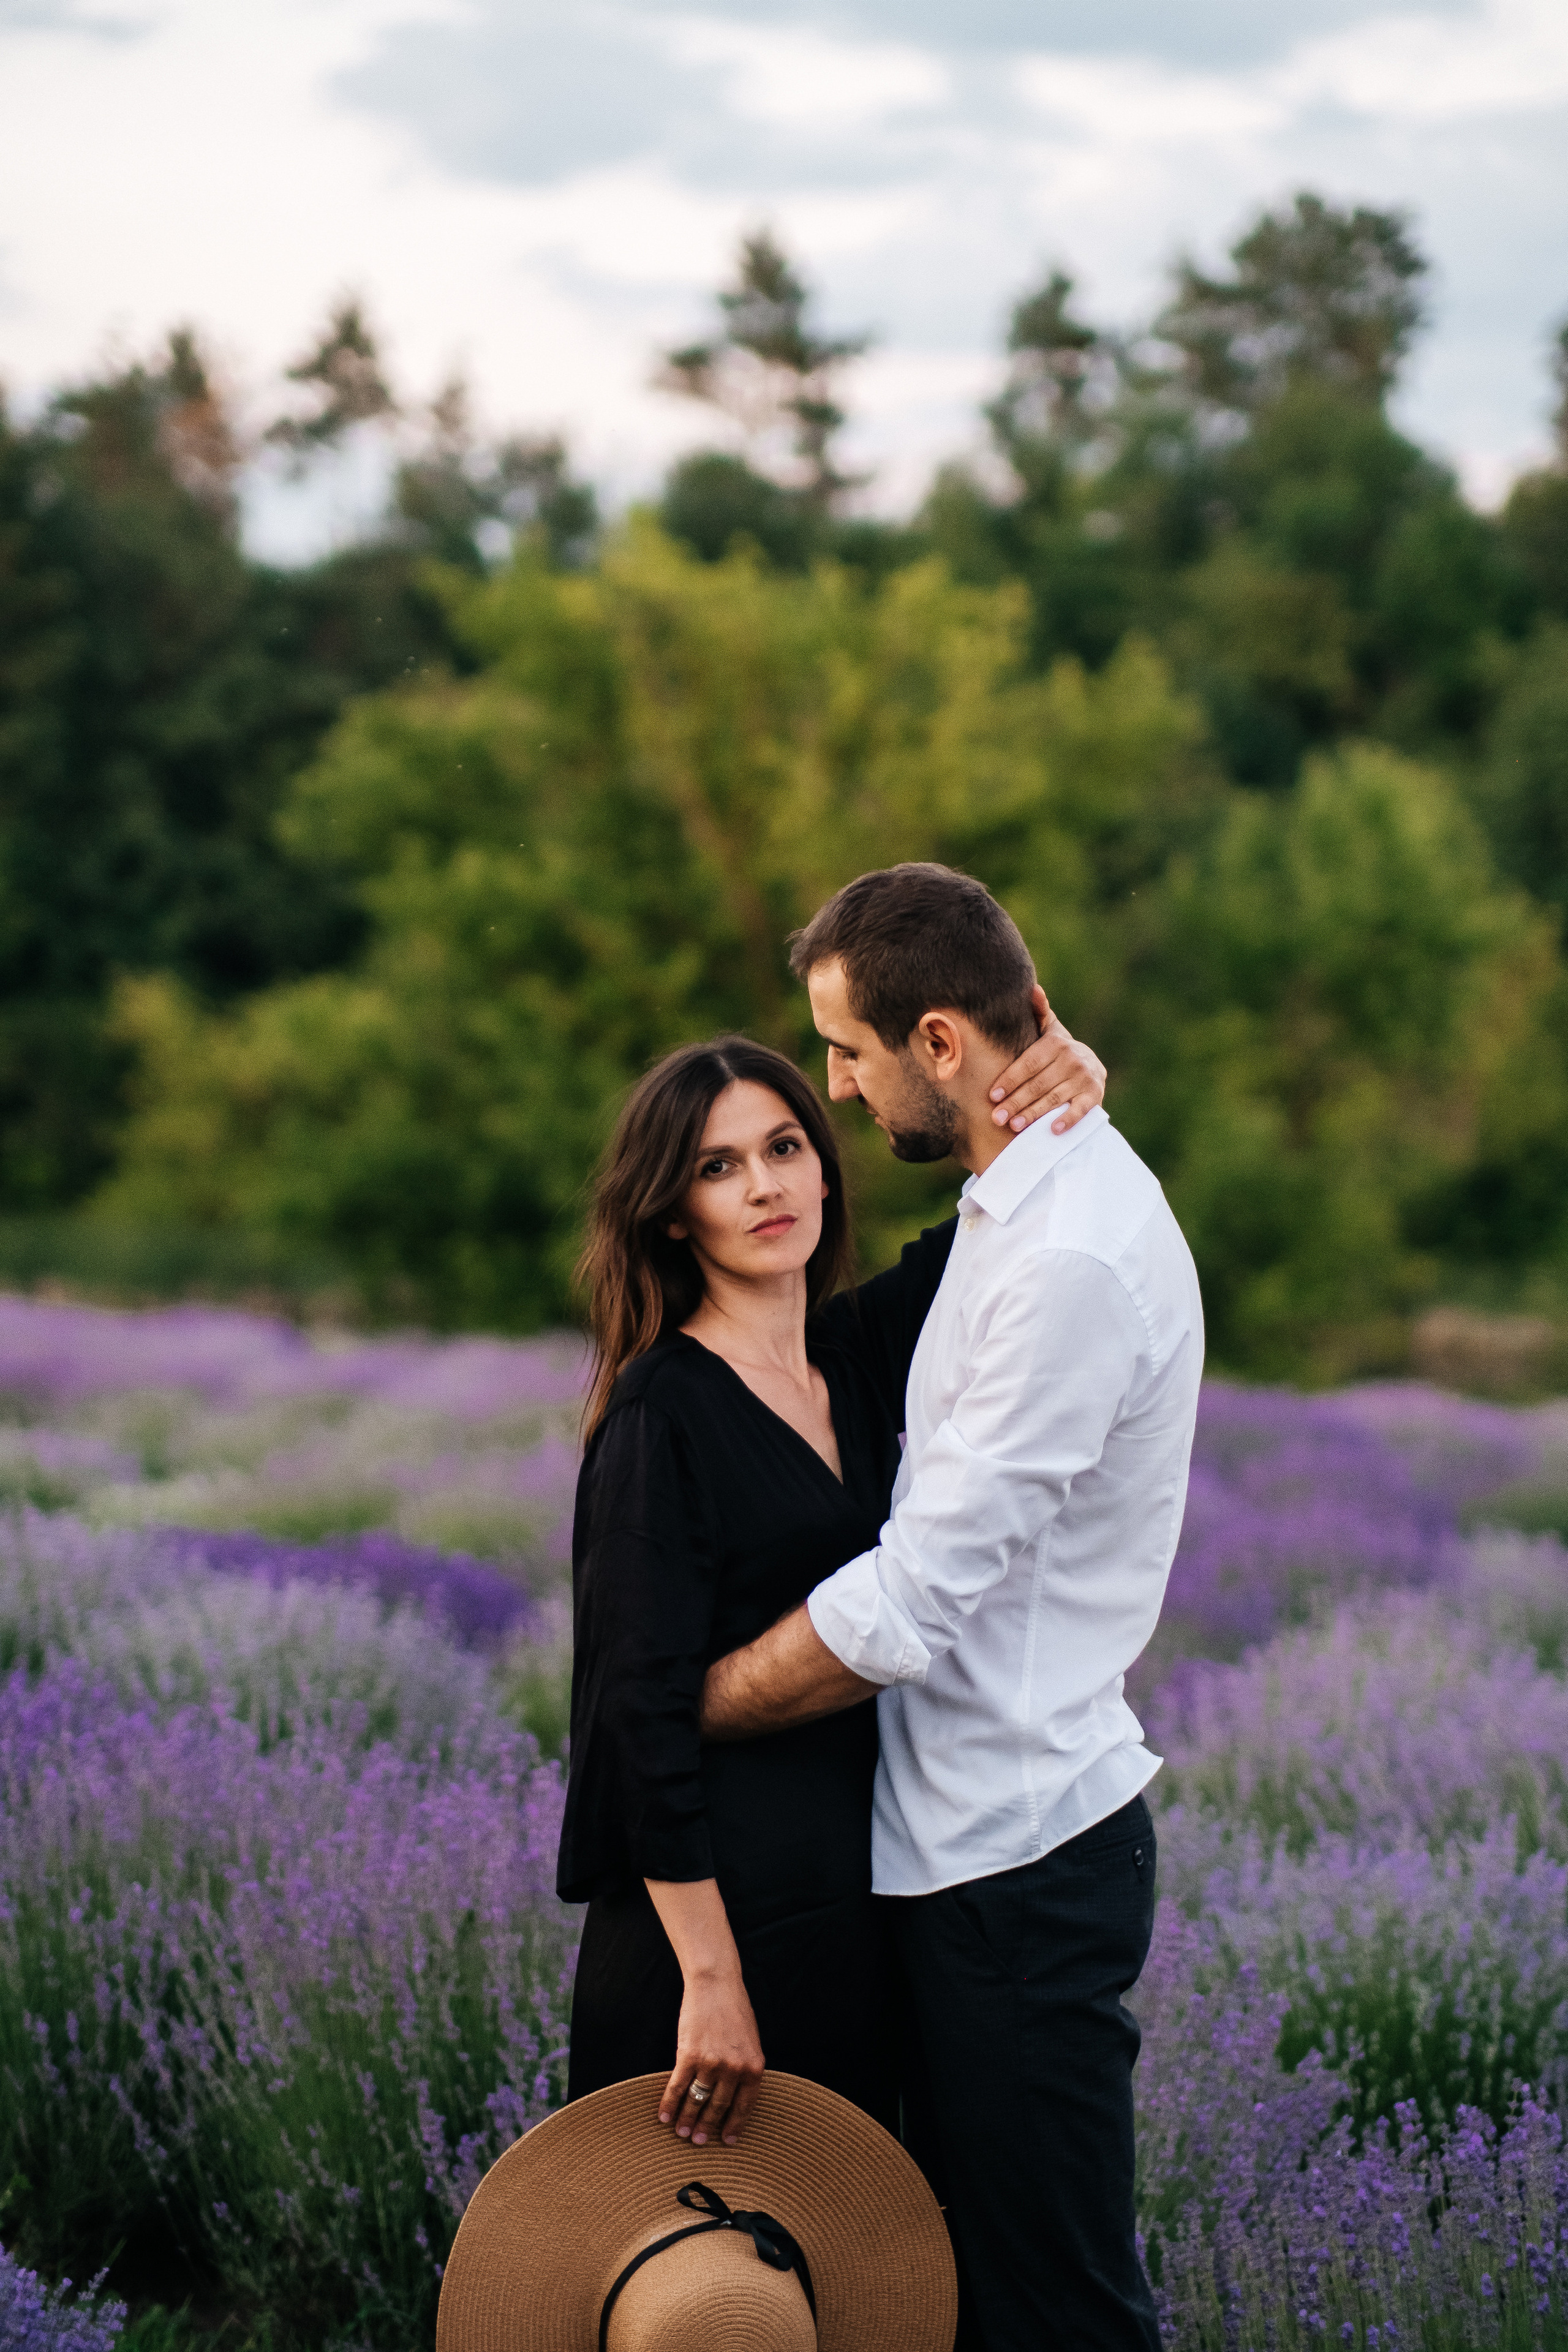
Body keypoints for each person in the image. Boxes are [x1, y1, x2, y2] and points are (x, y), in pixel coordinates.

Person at [699, 862, 1205, 2352]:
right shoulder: (1018, 1199)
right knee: (960, 2301)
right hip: (957, 1853)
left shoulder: (1065, 1257)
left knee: (1055, 2315)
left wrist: (695, 1702)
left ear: (938, 1042)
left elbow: (908, 1604)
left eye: (847, 1053)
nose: (836, 1091)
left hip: (1015, 1865)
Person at [557, 1006, 1106, 2158]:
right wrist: (711, 1980)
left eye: (784, 1147)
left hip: (848, 1910)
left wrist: (1068, 1079)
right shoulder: (662, 1411)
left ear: (822, 1167)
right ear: (672, 1210)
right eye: (718, 1167)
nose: (765, 1186)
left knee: (845, 2247)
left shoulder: (852, 1359)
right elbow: (635, 1716)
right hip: (708, 1944)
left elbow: (1006, 1213)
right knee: (699, 2261)